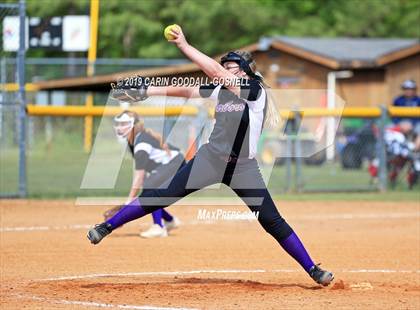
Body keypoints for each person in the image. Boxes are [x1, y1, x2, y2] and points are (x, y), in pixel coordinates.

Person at [88, 26, 334, 286]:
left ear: (247, 70)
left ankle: (312, 269)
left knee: (272, 221)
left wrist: (184, 45)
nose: (227, 70)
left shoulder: (254, 91)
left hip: (243, 169)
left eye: (233, 67)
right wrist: (148, 90)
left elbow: (215, 73)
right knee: (162, 196)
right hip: (209, 160)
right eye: (225, 66)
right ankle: (107, 227)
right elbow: (186, 91)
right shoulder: (220, 91)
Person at [107, 110, 184, 238]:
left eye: (124, 123)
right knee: (148, 193)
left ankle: (159, 227)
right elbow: (145, 168)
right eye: (119, 124)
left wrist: (128, 203)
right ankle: (169, 220)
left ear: (133, 125)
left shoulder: (141, 143)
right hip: (168, 164)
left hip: (176, 163)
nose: (120, 127)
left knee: (150, 190)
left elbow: (139, 176)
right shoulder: (132, 141)